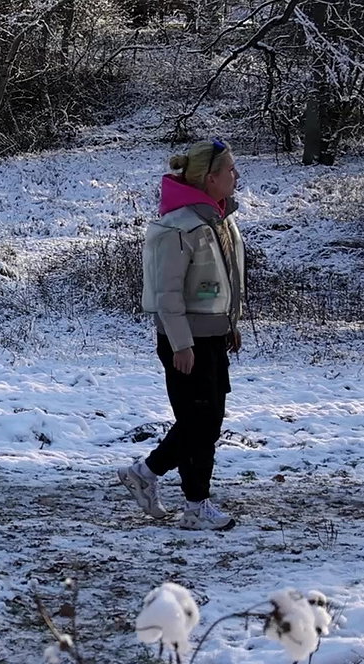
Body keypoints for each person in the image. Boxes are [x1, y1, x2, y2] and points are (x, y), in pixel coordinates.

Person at [118, 138, 245, 531]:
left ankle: (183, 497)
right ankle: (167, 485)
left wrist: (231, 324)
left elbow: (223, 280)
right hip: (185, 340)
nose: (236, 176)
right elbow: (167, 292)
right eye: (229, 170)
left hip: (212, 335)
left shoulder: (218, 220)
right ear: (210, 178)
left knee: (205, 423)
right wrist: (181, 343)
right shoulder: (178, 227)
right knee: (199, 424)